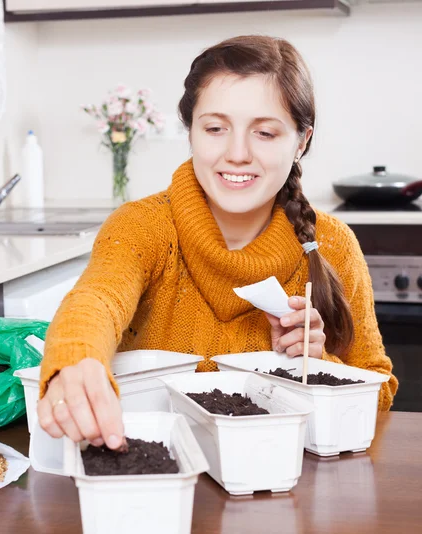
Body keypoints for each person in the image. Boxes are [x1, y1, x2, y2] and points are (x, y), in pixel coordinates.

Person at [36, 35, 398, 451]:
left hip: (284, 489)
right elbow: (97, 299)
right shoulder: (144, 227)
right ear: (190, 131)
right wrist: (75, 361)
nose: (237, 153)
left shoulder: (333, 245)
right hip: (158, 480)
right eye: (215, 128)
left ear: (301, 141)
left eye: (264, 132)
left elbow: (381, 395)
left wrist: (318, 368)